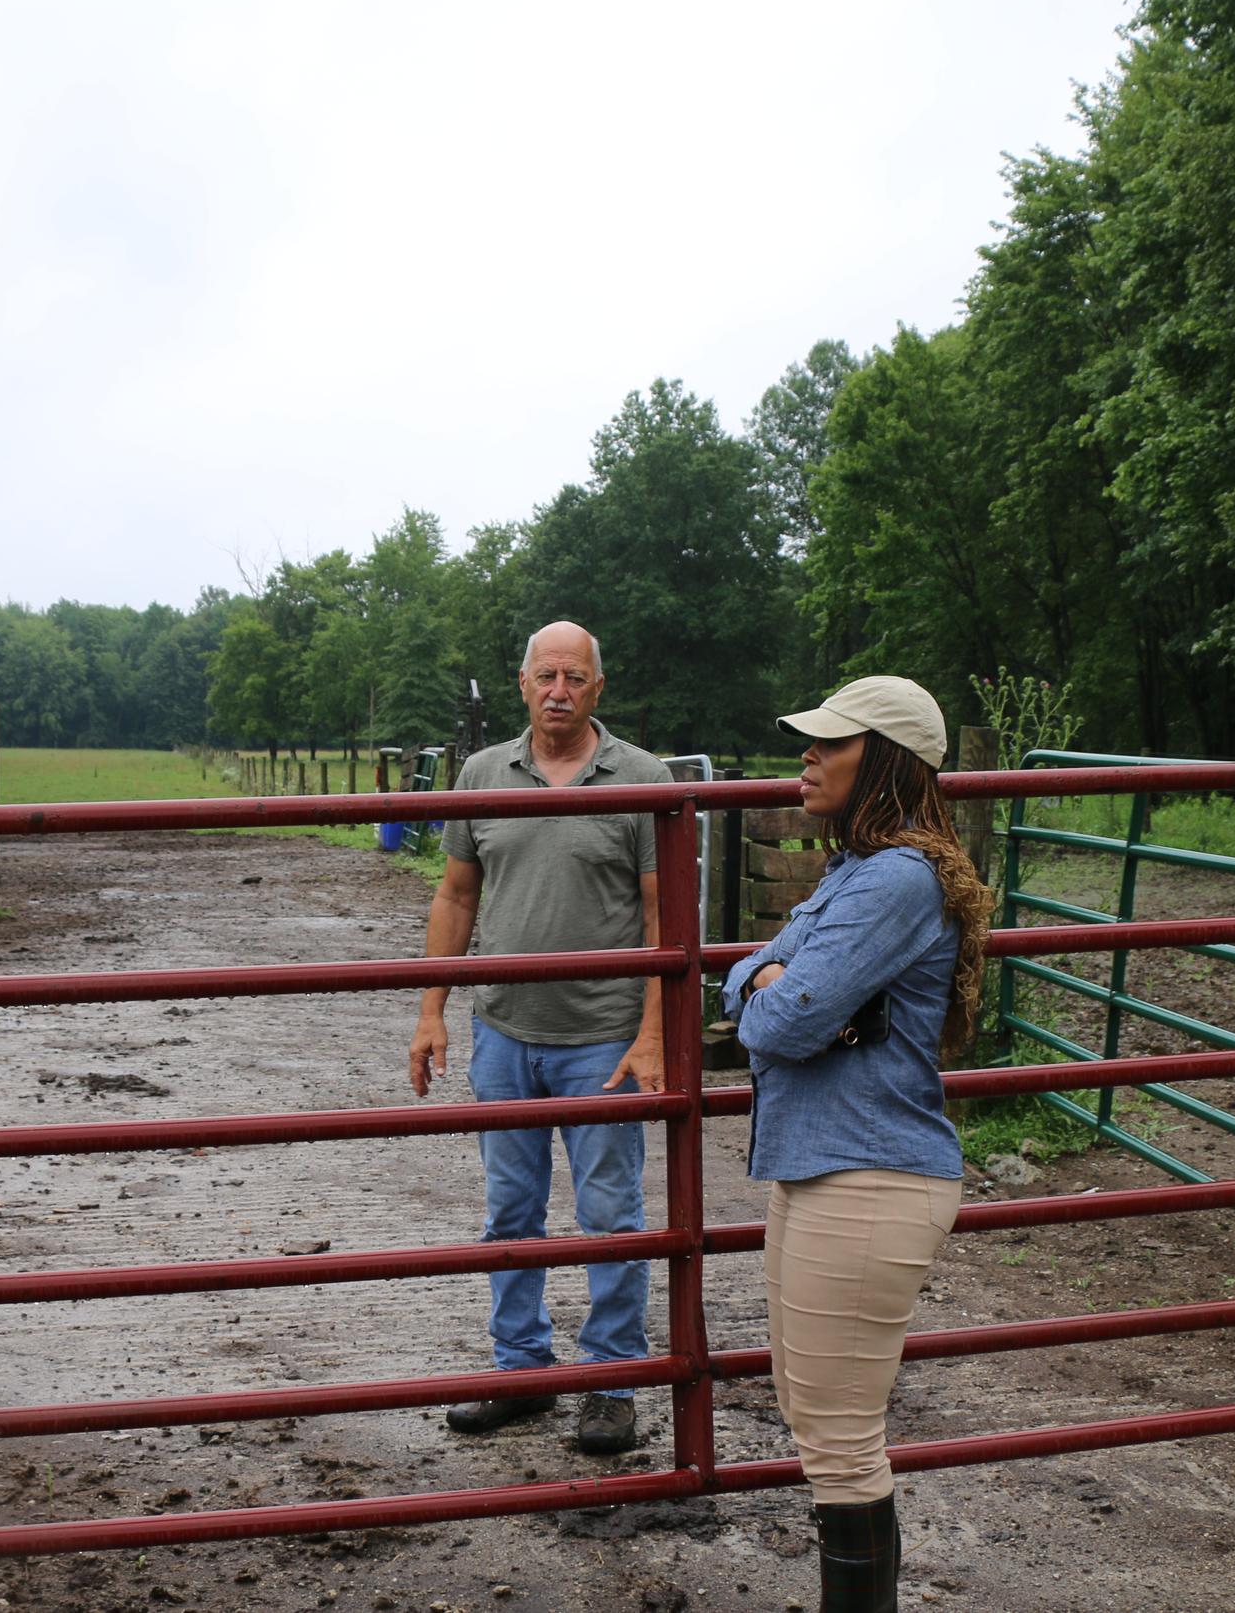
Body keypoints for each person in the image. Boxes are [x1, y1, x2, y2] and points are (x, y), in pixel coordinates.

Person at [719, 675, 994, 1613]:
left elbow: (776, 1020)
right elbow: (745, 981)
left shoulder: (892, 879)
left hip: (868, 1176)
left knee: (836, 1433)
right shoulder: (858, 870)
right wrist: (772, 984)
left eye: (828, 742)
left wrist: (776, 988)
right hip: (825, 1167)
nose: (806, 753)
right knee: (812, 1413)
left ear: (882, 760)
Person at [407, 620, 670, 1454]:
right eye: (545, 673)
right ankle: (520, 1371)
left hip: (604, 1037)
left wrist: (655, 1033)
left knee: (610, 1215)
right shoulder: (482, 775)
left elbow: (667, 917)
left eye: (575, 676)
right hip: (505, 1032)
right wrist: (429, 1008)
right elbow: (454, 897)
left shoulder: (641, 777)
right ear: (521, 683)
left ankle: (610, 1385)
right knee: (509, 1211)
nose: (559, 688)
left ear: (598, 688)